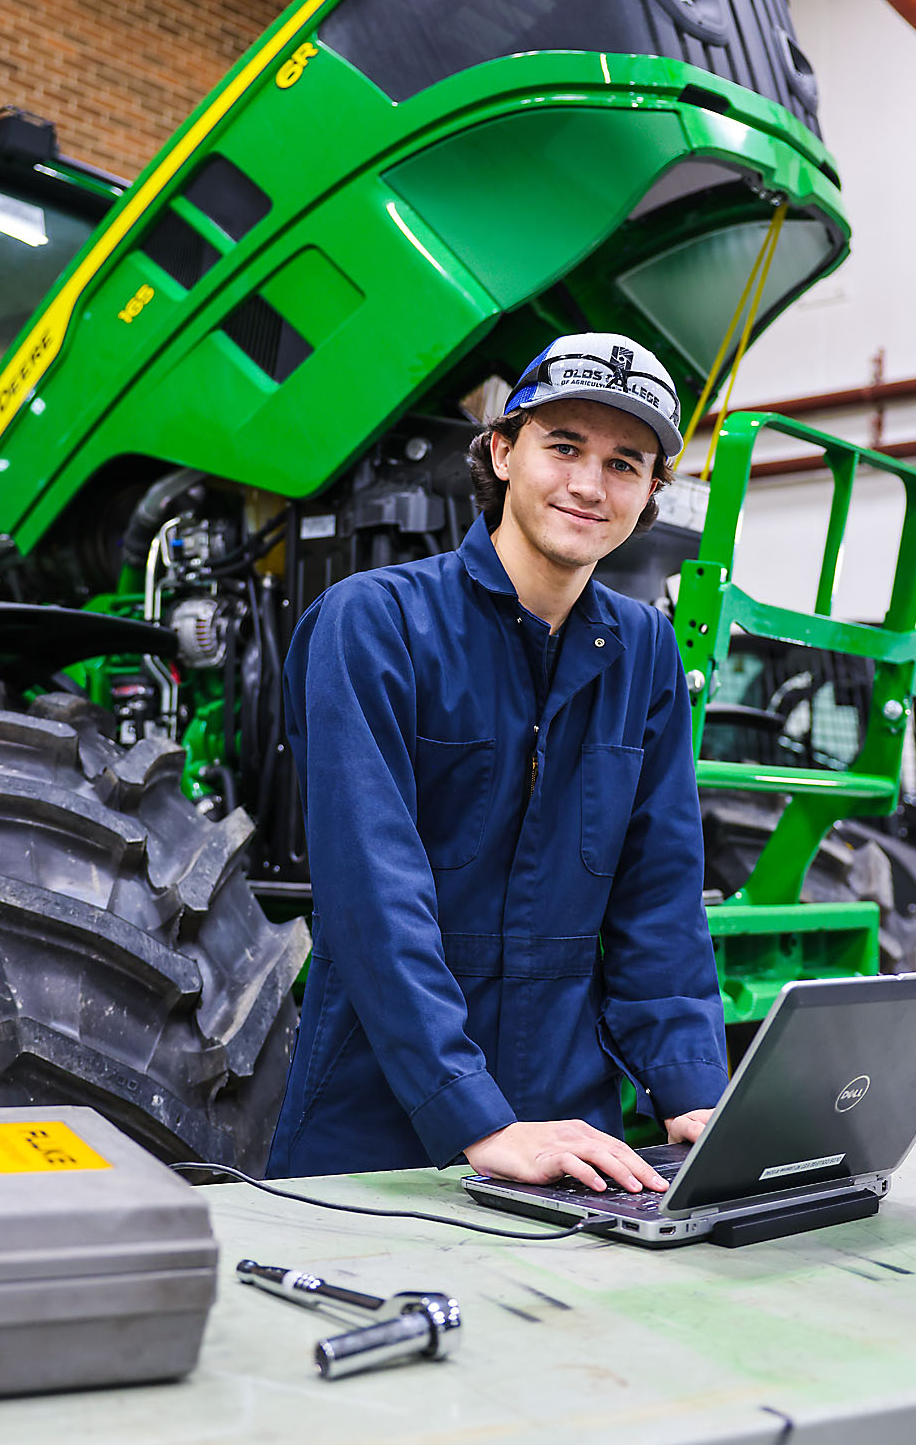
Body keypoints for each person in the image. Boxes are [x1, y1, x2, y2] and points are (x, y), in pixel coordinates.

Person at [266, 333, 728, 1195]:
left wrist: (695, 1092)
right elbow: (372, 896)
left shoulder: (645, 652)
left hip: (572, 1129)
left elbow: (658, 894)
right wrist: (474, 1114)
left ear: (650, 494)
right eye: (563, 447)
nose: (590, 485)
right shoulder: (373, 623)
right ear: (502, 451)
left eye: (625, 464)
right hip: (382, 1119)